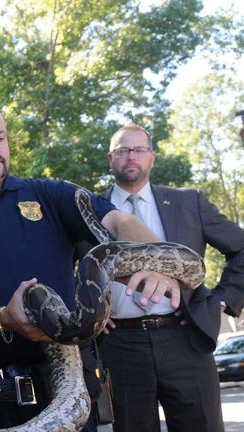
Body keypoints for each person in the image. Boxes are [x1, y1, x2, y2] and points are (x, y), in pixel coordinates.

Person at [0, 101, 180, 429]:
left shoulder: (50, 193)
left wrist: (151, 255)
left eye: (0, 138)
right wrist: (2, 317)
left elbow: (118, 220)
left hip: (68, 395)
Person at [91, 123, 244, 432]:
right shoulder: (89, 209)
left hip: (185, 337)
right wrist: (89, 311)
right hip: (121, 345)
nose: (131, 157)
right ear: (110, 159)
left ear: (152, 158)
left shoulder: (190, 203)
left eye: (138, 150)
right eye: (122, 150)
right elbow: (62, 267)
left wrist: (222, 301)